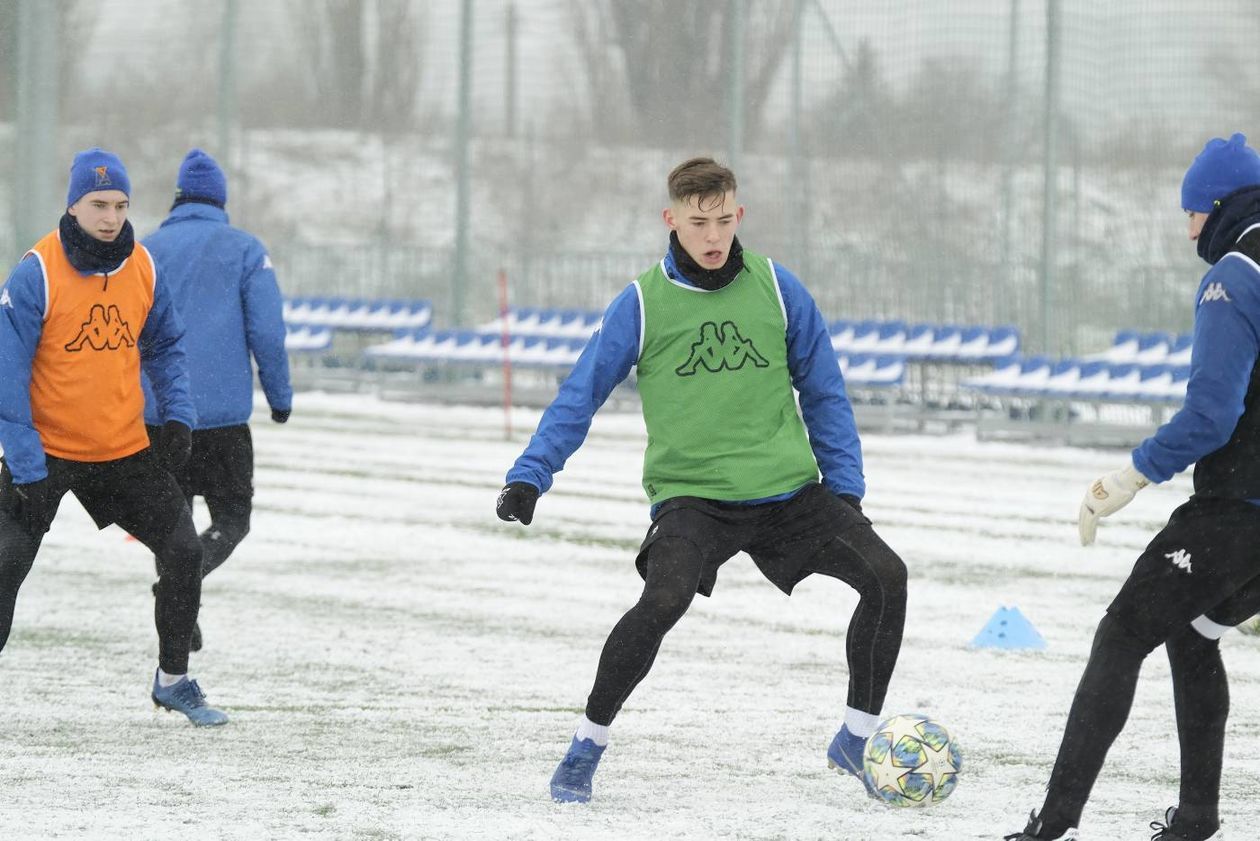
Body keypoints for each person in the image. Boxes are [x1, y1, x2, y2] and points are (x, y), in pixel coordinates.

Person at [496, 157, 908, 804]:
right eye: (698, 222)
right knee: (662, 601)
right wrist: (530, 475)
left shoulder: (778, 287)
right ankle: (586, 744)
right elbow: (580, 394)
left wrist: (845, 487)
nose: (713, 235)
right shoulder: (640, 303)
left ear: (738, 215)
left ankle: (855, 738)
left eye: (723, 219)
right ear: (672, 221)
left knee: (888, 576)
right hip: (693, 500)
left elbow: (824, 390)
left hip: (790, 493)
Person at [1006, 133, 1260, 841]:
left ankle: (1052, 822)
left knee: (1121, 635)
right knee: (1191, 631)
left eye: (1191, 215)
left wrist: (1132, 473)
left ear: (1219, 207)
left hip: (1239, 508)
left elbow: (1212, 414)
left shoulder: (1235, 276)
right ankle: (1197, 817)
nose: (1188, 232)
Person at [0, 147, 227, 726]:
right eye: (99, 204)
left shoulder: (144, 267)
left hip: (122, 450)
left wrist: (178, 415)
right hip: (45, 455)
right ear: (73, 205)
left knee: (183, 552)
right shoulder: (37, 273)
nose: (111, 216)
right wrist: (24, 465)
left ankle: (173, 680)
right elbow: (7, 375)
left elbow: (168, 345)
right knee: (4, 565)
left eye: (121, 205)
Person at [141, 149, 292, 651]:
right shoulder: (245, 250)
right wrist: (278, 394)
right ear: (221, 200)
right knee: (233, 519)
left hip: (159, 415)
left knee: (172, 526)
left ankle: (177, 593)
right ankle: (179, 590)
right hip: (223, 417)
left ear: (178, 198)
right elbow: (267, 331)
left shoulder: (146, 250)